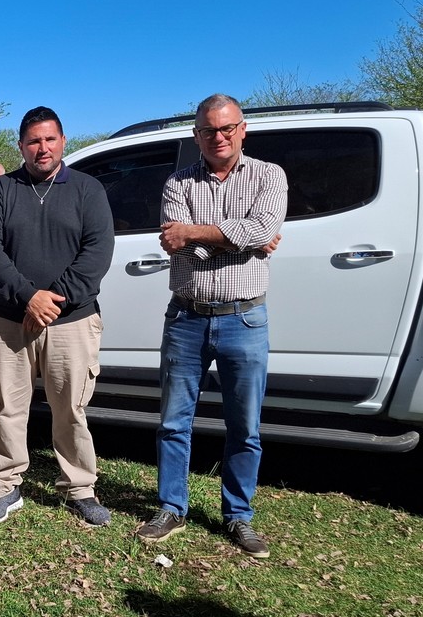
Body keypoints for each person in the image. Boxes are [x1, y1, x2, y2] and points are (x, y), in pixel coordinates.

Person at [135, 93, 287, 558]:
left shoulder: (269, 175)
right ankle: (170, 507)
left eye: (226, 129)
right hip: (186, 317)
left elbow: (260, 230)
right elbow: (175, 242)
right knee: (174, 422)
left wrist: (203, 233)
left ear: (243, 129)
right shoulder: (177, 182)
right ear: (196, 134)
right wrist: (240, 238)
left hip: (244, 317)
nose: (217, 137)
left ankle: (238, 516)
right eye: (207, 130)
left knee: (245, 425)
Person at [0, 106, 115, 527]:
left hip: (72, 322)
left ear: (63, 142)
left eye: (50, 139)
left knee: (70, 408)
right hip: (8, 320)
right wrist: (28, 296)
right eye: (33, 141)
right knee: (8, 408)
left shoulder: (88, 190)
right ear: (20, 146)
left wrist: (53, 301)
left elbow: (97, 253)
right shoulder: (1, 191)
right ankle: (4, 485)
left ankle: (79, 488)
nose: (42, 148)